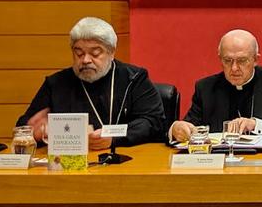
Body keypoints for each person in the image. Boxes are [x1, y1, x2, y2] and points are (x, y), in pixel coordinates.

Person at [17, 17, 165, 149]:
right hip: (71, 166)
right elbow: (25, 125)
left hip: (126, 161)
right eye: (79, 53)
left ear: (111, 52)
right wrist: (36, 132)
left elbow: (153, 122)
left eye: (95, 53)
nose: (86, 60)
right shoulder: (56, 83)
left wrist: (114, 139)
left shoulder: (134, 79)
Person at [169, 29, 262, 142]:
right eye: (227, 61)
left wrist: (256, 125)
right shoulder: (206, 88)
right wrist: (176, 129)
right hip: (219, 164)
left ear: (255, 60)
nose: (234, 68)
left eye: (242, 61)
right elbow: (189, 126)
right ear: (220, 59)